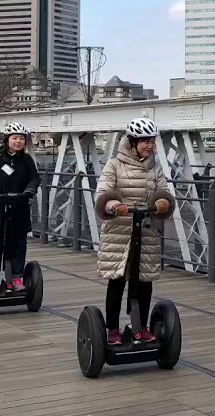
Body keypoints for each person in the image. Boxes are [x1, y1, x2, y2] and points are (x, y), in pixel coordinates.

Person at [93, 117, 173, 345]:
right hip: (119, 231)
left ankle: (141, 326)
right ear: (133, 142)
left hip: (146, 230)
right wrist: (112, 206)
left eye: (152, 142)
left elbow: (163, 191)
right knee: (117, 281)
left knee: (144, 282)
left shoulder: (155, 167)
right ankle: (112, 329)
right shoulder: (114, 165)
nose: (150, 146)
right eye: (145, 141)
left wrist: (163, 203)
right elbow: (103, 192)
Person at [0, 122, 40, 293]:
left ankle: (16, 277)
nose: (18, 141)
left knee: (18, 244)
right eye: (15, 138)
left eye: (21, 138)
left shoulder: (27, 160)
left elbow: (35, 178)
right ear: (7, 140)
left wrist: (30, 189)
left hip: (19, 207)